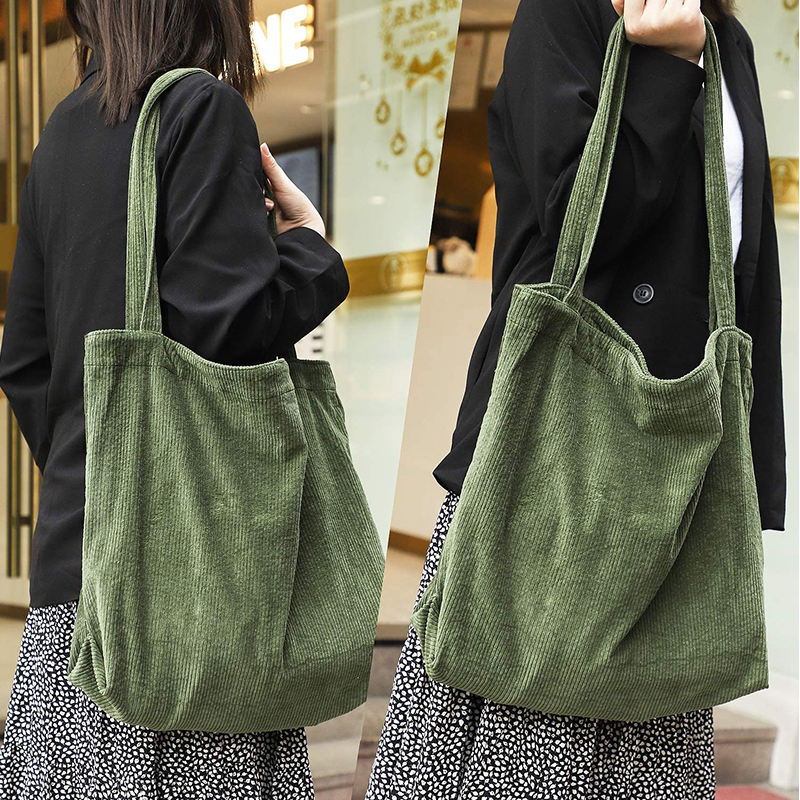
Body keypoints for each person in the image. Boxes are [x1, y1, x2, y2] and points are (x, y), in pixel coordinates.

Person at [366, 0, 785, 797]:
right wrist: (668, 66)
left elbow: (742, 272)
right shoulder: (569, 12)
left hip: (677, 470)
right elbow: (576, 222)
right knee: (527, 756)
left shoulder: (727, 39)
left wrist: (748, 463)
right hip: (555, 461)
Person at [0, 1, 348, 797]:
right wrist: (308, 251)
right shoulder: (199, 110)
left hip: (73, 586)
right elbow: (227, 328)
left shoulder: (59, 138)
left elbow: (25, 361)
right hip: (190, 598)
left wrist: (98, 472)